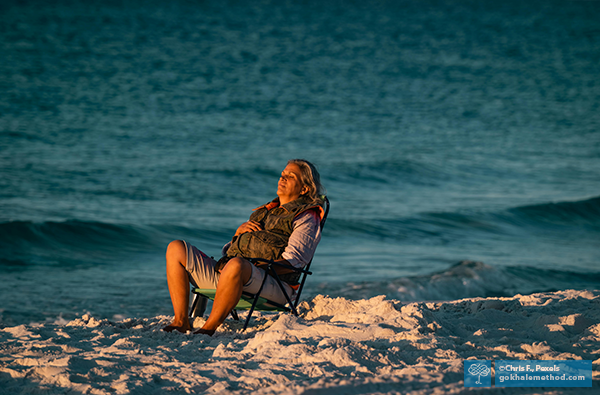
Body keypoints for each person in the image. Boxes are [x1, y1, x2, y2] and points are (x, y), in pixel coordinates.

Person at [163, 159, 326, 335]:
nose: (282, 178)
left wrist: (249, 268)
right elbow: (229, 252)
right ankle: (181, 321)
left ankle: (208, 329)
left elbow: (294, 262)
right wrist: (237, 234)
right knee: (176, 248)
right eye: (282, 174)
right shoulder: (265, 211)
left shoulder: (306, 216)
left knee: (236, 265)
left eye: (290, 176)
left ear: (304, 189)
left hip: (274, 284)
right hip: (233, 274)